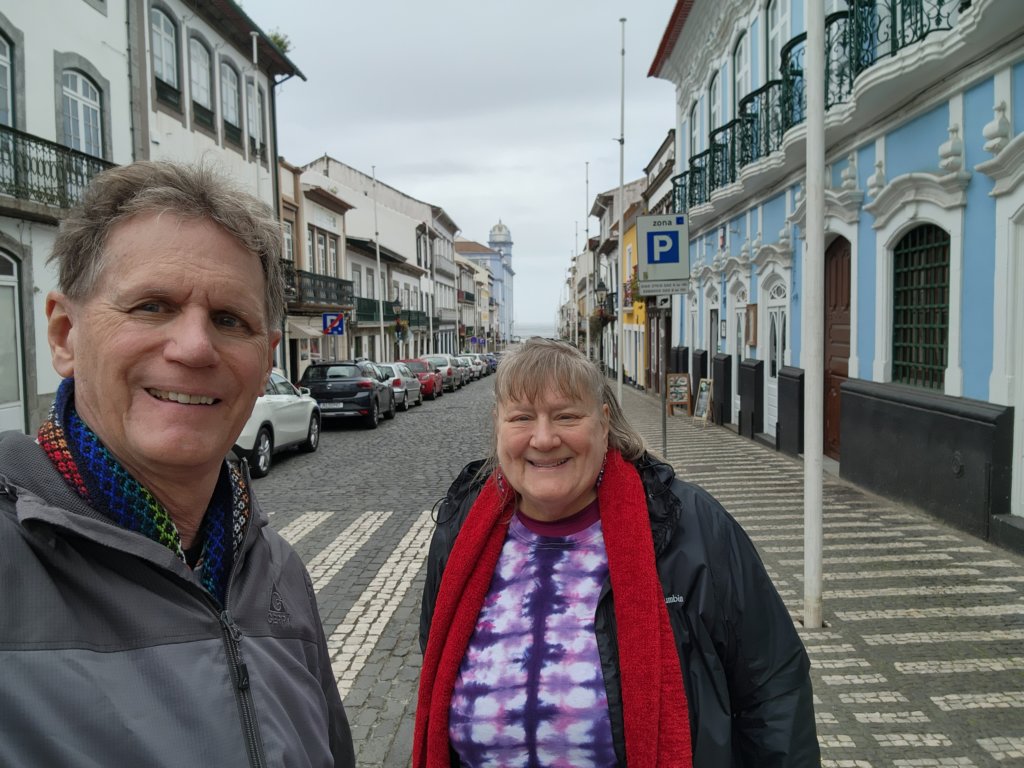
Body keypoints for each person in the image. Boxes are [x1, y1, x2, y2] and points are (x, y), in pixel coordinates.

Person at [0, 161, 354, 767]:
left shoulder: (277, 573)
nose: (194, 348)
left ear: (266, 360)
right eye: (152, 306)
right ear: (64, 334)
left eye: (230, 320)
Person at [415, 338, 819, 767]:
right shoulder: (462, 533)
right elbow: (437, 666)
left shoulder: (689, 527)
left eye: (567, 416)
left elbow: (773, 691)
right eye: (522, 418)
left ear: (603, 423)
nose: (544, 438)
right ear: (498, 425)